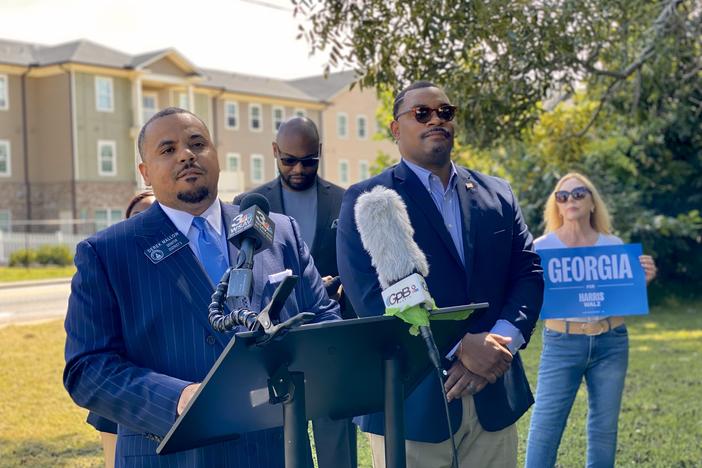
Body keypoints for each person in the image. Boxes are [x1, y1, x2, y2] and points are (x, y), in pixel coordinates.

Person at [63, 107, 340, 468]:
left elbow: (323, 320)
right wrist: (177, 398)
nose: (186, 154)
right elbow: (87, 369)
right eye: (167, 149)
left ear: (216, 155)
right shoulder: (107, 253)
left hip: (276, 450)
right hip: (172, 454)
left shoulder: (280, 231)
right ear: (145, 172)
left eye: (197, 143)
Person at [336, 81, 544, 467]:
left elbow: (527, 273)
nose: (436, 119)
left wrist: (499, 345)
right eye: (422, 113)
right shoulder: (367, 201)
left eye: (445, 112)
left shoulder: (497, 193)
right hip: (412, 404)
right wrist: (458, 347)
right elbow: (369, 300)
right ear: (396, 128)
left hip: (494, 397)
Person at [234, 116, 356, 468]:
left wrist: (341, 285)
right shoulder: (250, 205)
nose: (300, 169)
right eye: (289, 160)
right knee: (286, 441)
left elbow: (357, 265)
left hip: (332, 336)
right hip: (278, 344)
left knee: (337, 443)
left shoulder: (345, 201)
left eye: (309, 160)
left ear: (320, 154)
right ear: (274, 152)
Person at [525, 172, 657, 468]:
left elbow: (620, 294)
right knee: (545, 426)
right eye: (562, 196)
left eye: (578, 194)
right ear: (556, 206)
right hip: (562, 343)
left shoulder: (613, 244)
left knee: (604, 429)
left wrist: (641, 281)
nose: (570, 200)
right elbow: (529, 297)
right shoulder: (541, 248)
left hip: (612, 342)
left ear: (592, 202)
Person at [85, 189, 156, 468]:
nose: (145, 221)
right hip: (122, 385)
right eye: (138, 216)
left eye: (154, 213)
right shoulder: (111, 264)